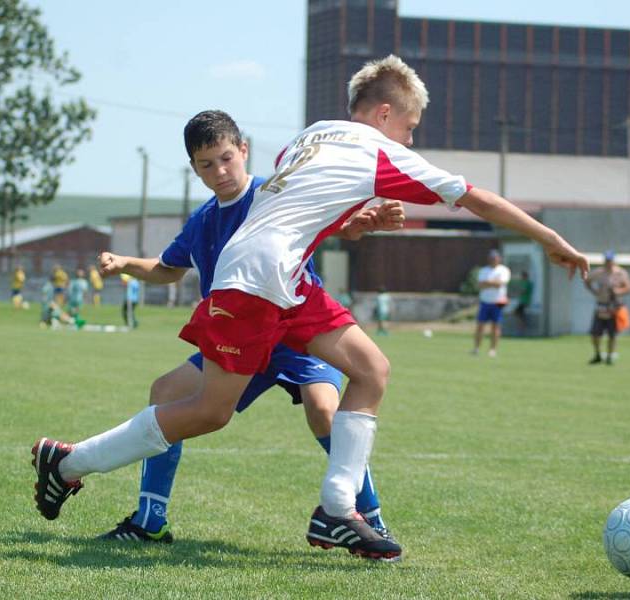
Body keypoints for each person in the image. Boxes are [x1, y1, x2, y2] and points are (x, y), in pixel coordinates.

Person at [30, 56, 587, 562]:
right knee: (209, 412)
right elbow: (476, 198)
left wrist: (354, 221)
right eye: (410, 129)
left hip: (288, 279)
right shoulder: (381, 151)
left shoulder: (314, 133)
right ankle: (69, 462)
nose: (409, 140)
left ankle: (337, 509)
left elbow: (298, 207)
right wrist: (549, 237)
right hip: (255, 279)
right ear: (387, 114)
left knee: (372, 370)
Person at [91, 111, 402, 546]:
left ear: (243, 150)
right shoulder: (202, 221)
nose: (219, 172)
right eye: (206, 165)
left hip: (295, 332)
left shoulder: (273, 192)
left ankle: (367, 516)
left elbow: (331, 221)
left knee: (325, 410)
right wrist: (124, 264)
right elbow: (167, 269)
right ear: (194, 168)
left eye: (225, 159)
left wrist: (360, 224)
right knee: (165, 391)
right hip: (238, 339)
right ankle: (150, 519)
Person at [585, 251, 630, 365]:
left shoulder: (620, 273)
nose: (608, 263)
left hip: (614, 307)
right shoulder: (599, 272)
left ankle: (610, 356)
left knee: (612, 334)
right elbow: (587, 281)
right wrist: (594, 291)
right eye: (607, 260)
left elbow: (629, 287)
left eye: (610, 260)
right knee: (595, 333)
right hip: (601, 306)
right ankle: (597, 354)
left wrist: (618, 291)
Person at [471, 249, 511, 357]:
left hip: (498, 302)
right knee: (480, 326)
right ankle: (476, 348)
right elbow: (480, 285)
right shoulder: (484, 270)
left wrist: (488, 282)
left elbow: (500, 284)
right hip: (485, 301)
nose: (493, 259)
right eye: (491, 257)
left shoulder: (503, 270)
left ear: (499, 259)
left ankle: (493, 350)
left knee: (496, 327)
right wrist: (493, 282)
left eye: (495, 257)